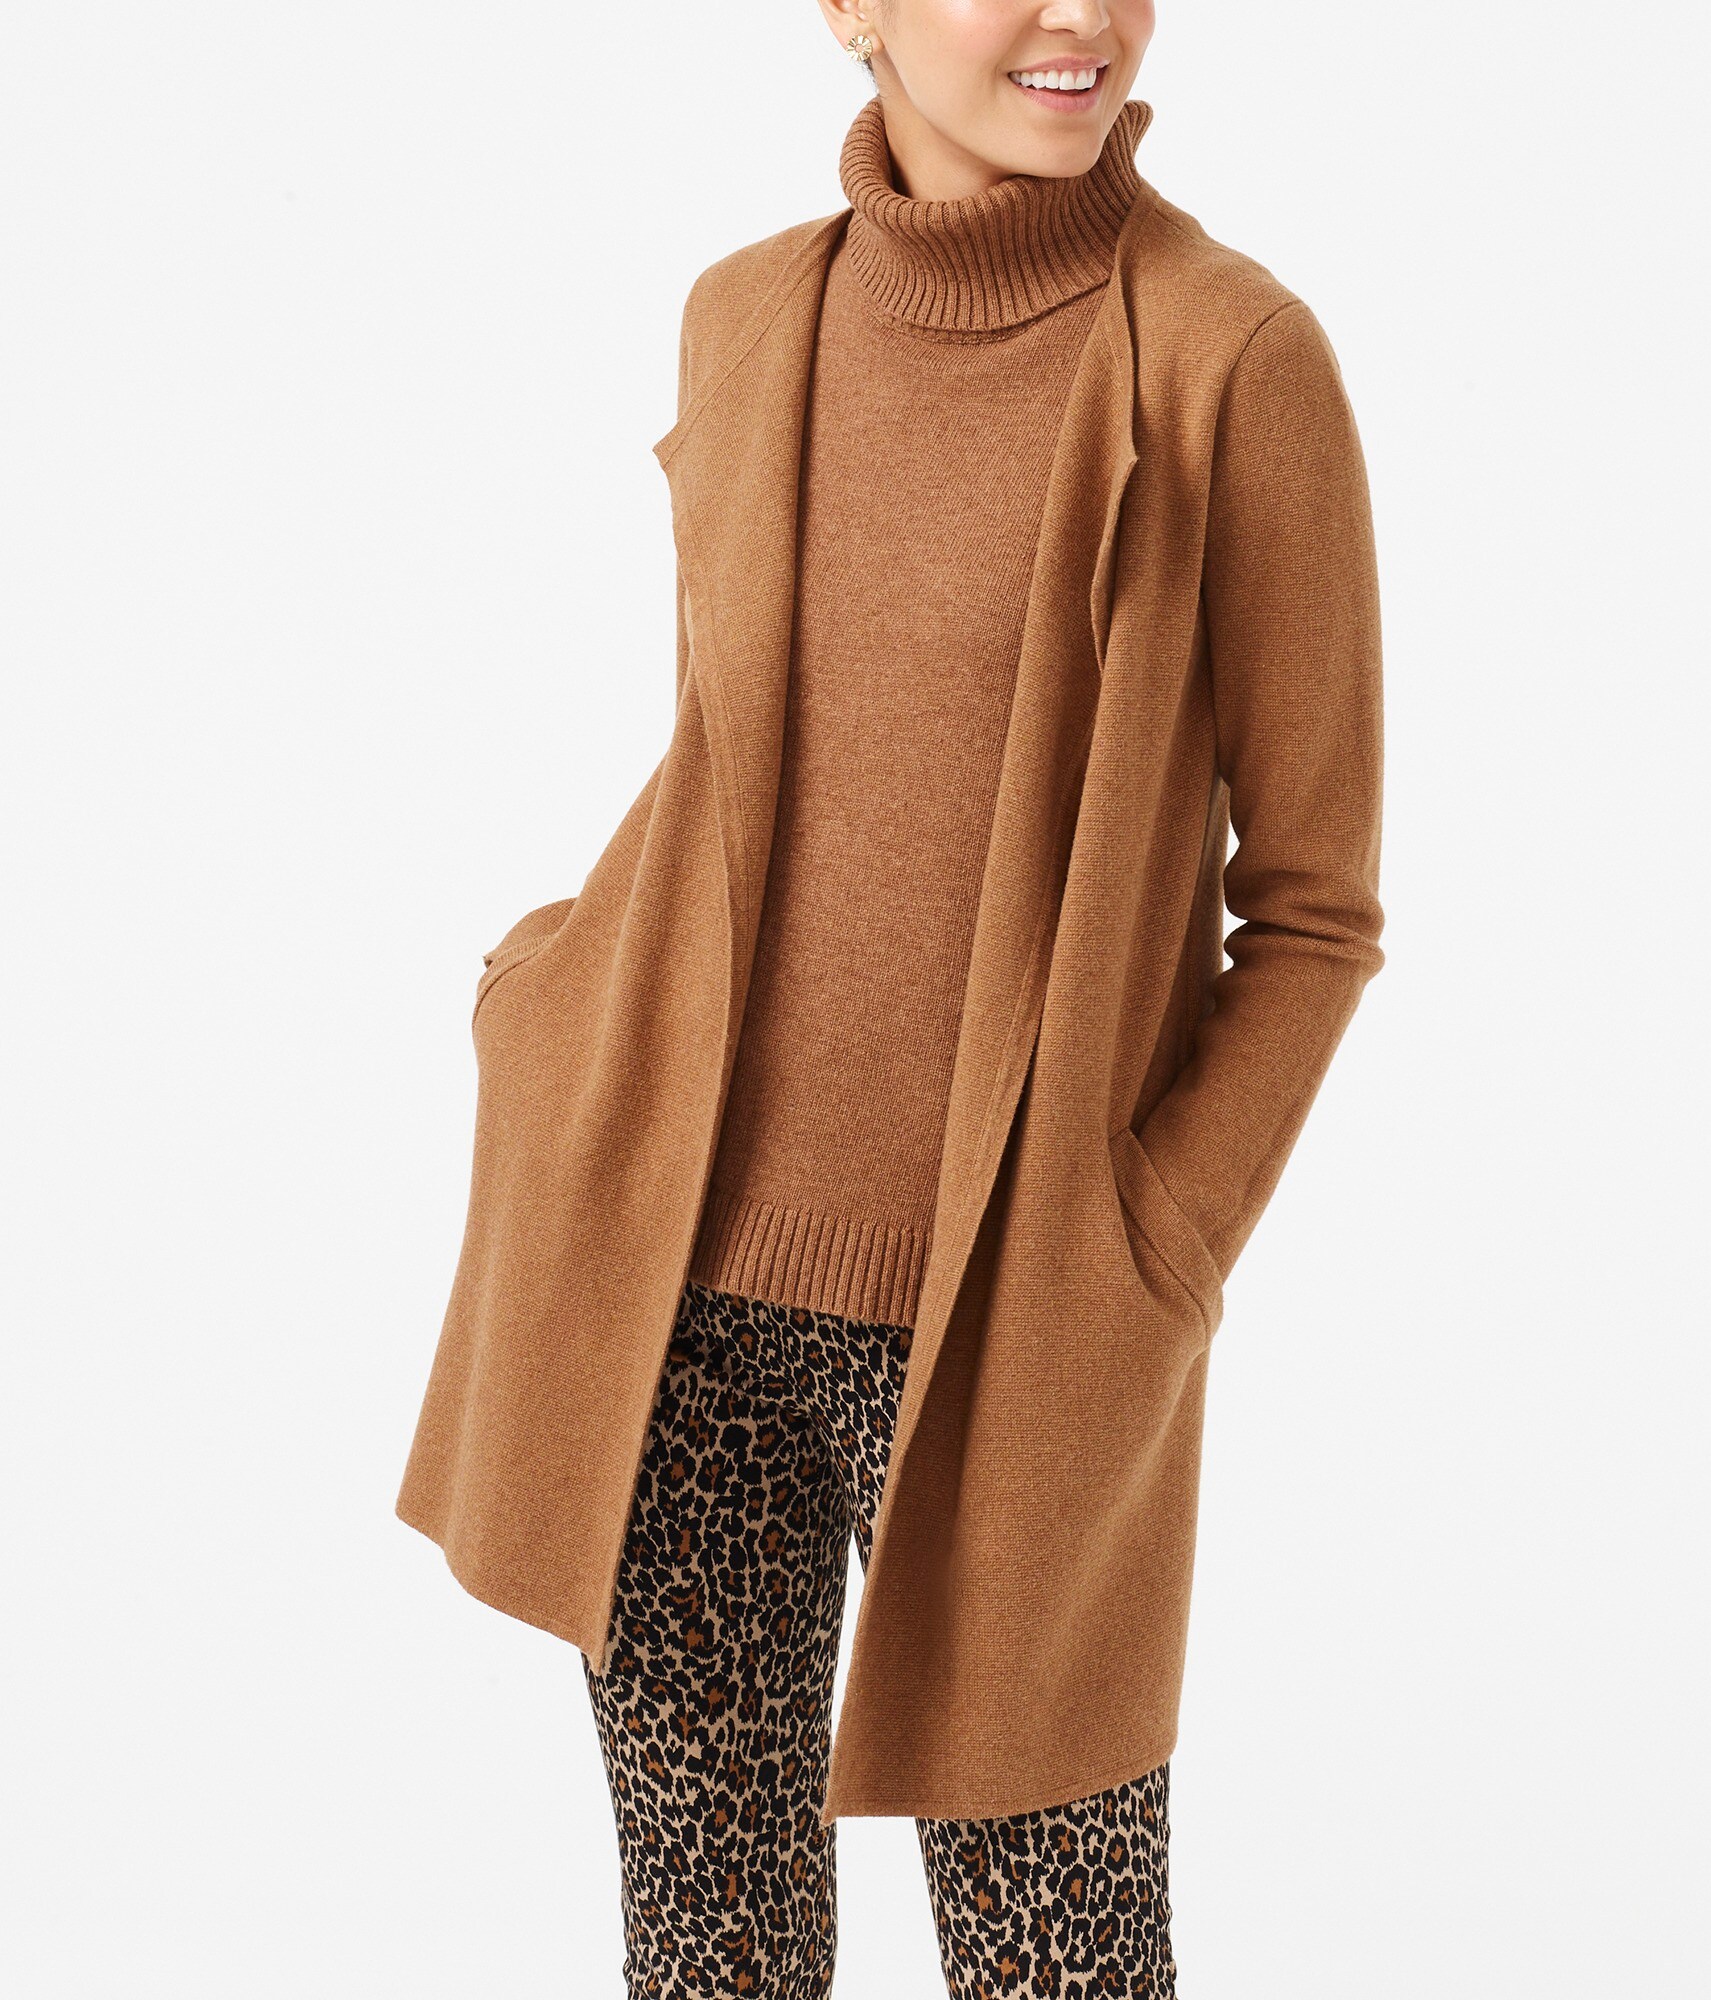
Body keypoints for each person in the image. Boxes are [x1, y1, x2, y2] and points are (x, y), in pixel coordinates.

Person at [395, 2, 1386, 1993]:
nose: (1081, 15)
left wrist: (1153, 1240)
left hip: (1014, 1329)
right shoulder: (747, 318)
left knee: (1063, 1963)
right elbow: (744, 768)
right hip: (668, 1288)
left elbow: (1311, 912)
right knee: (712, 1952)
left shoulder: (1227, 357)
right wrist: (546, 990)